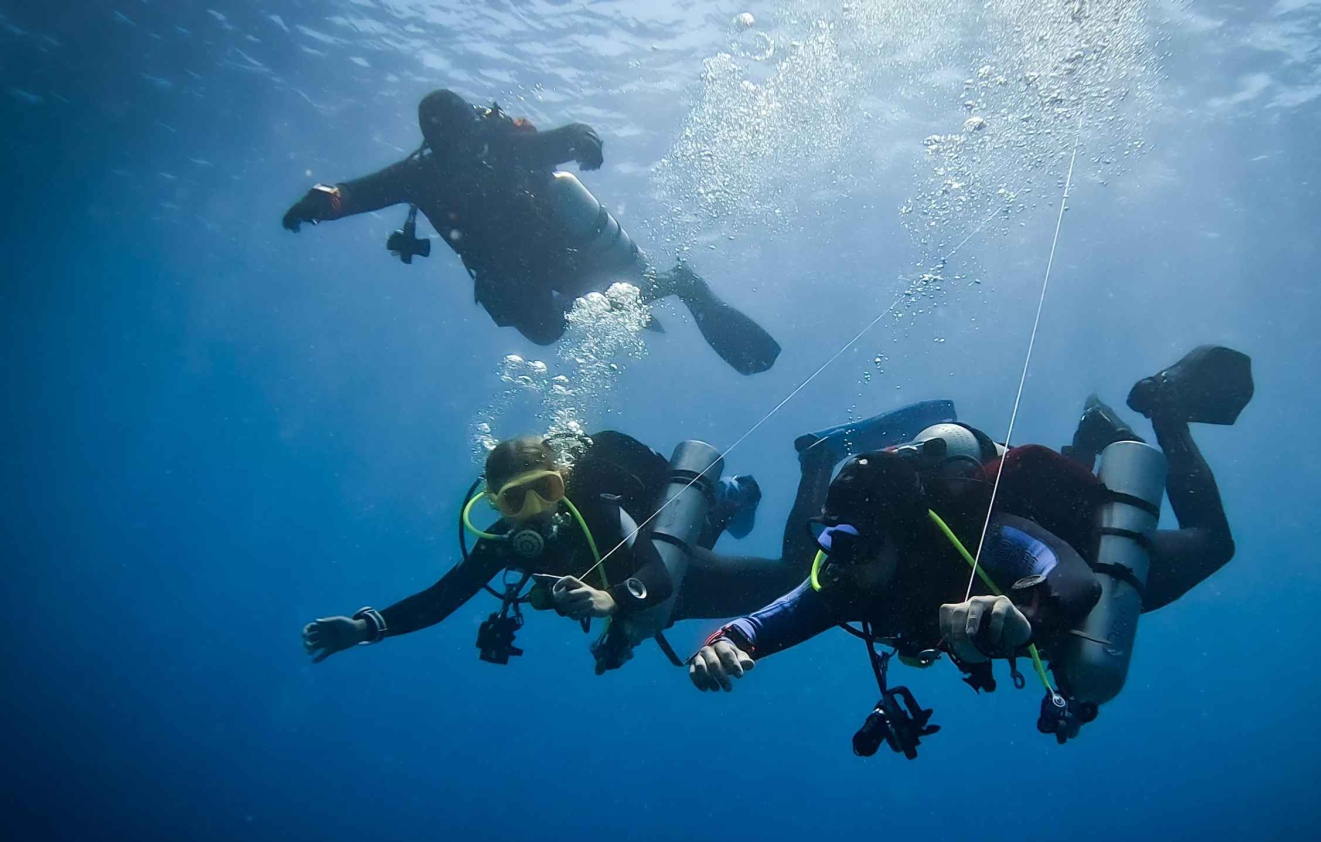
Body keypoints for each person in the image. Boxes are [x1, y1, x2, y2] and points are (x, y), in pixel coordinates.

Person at [686, 345, 1253, 749]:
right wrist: (727, 642)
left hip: (1070, 544)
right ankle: (1087, 438)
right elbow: (771, 621)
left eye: (856, 544)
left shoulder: (984, 535)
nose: (837, 559)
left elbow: (1073, 579)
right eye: (829, 538)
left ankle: (1168, 408)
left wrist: (1023, 611)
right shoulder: (848, 574)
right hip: (1019, 563)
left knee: (1212, 544)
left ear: (905, 537)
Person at [300, 400, 956, 672]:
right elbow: (441, 597)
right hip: (648, 595)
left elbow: (661, 575)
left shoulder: (597, 499)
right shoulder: (503, 542)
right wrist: (369, 625)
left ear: (563, 480)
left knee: (797, 571)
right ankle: (730, 501)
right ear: (494, 504)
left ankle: (818, 458)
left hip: (675, 576)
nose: (531, 512)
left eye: (543, 490)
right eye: (513, 499)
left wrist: (616, 604)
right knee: (731, 533)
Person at [281, 88, 780, 375]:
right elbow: (360, 192)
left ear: (473, 129)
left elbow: (564, 137)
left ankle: (682, 283)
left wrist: (587, 142)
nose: (461, 151)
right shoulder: (420, 175)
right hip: (504, 279)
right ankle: (661, 291)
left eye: (465, 138)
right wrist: (322, 202)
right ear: (434, 143)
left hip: (560, 253)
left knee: (604, 304)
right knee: (548, 332)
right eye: (448, 143)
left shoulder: (504, 146)